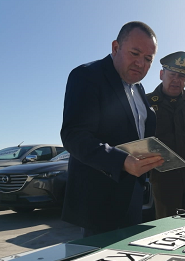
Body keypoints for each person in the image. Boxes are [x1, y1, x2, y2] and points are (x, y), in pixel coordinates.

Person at [61, 21, 164, 237]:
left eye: (148, 59)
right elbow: (74, 135)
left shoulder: (139, 88)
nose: (140, 63)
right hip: (98, 202)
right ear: (115, 47)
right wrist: (121, 162)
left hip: (133, 198)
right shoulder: (87, 76)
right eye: (135, 53)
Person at [146, 51, 185, 218]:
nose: (176, 80)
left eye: (182, 76)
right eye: (172, 74)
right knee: (167, 229)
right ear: (161, 75)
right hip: (164, 180)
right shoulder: (147, 103)